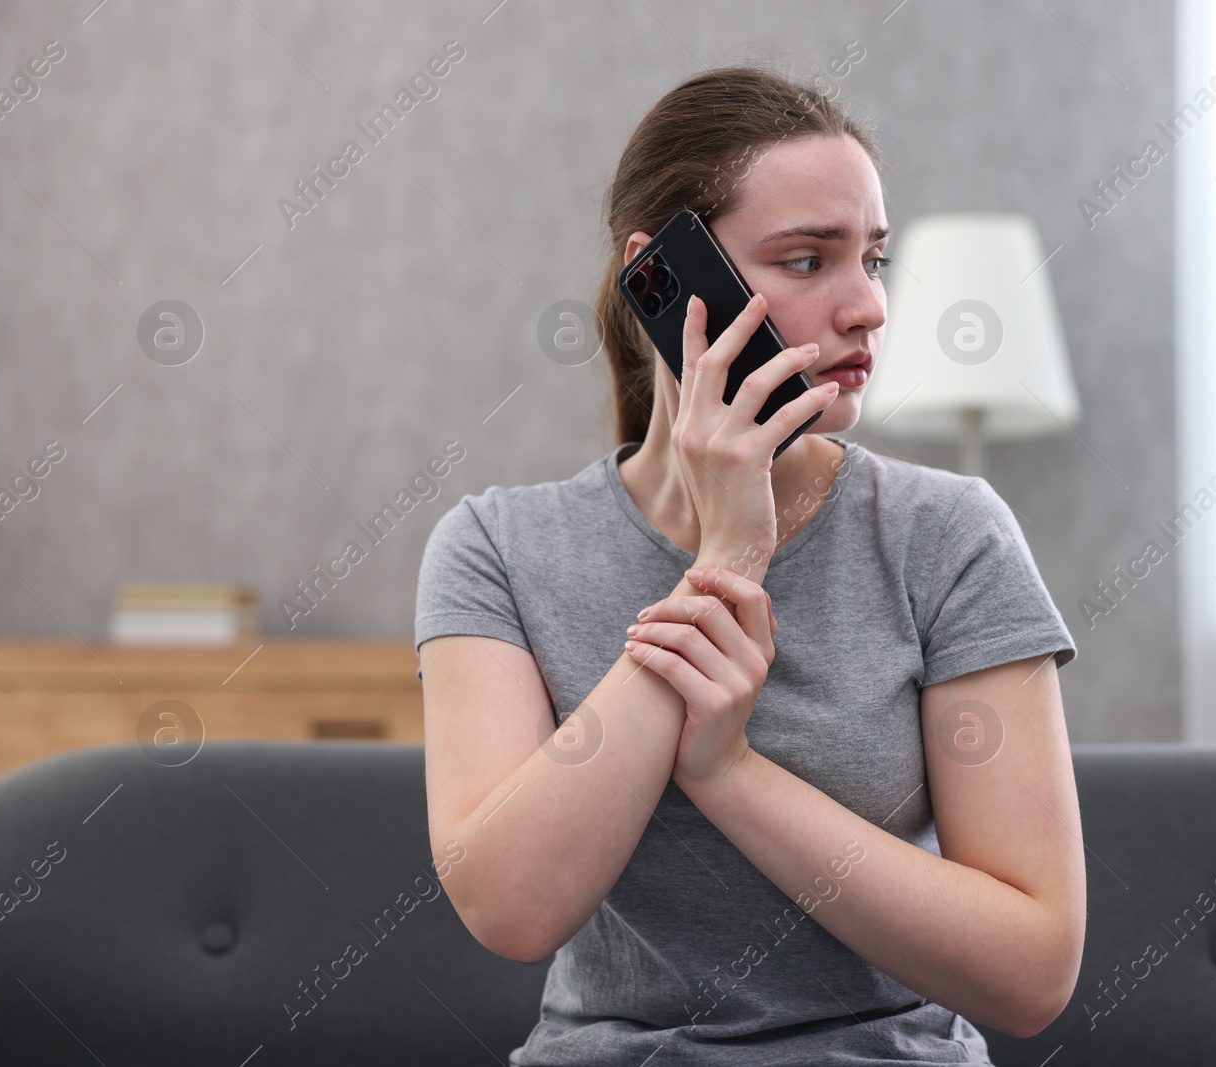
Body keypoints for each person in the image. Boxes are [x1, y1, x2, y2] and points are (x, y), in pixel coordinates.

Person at [415, 60, 1084, 1066]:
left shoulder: (947, 535)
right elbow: (511, 905)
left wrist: (727, 771)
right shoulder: (497, 549)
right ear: (664, 278)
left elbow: (1031, 971)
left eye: (873, 258)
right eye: (809, 261)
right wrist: (728, 558)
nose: (867, 307)